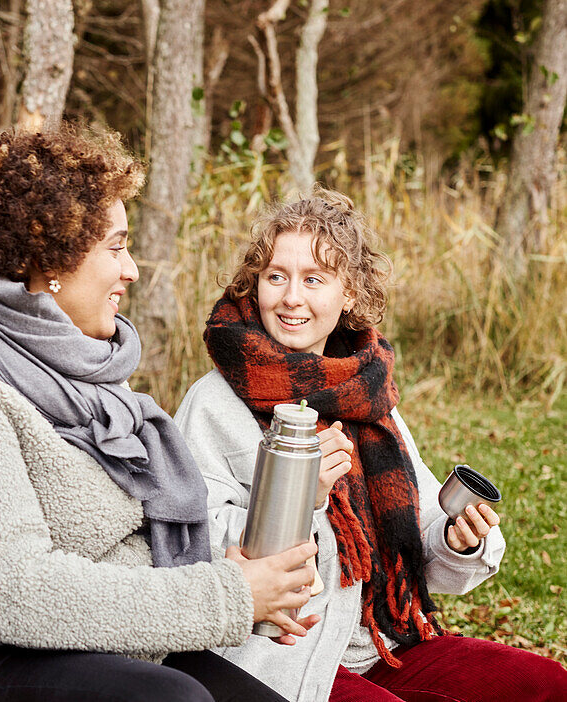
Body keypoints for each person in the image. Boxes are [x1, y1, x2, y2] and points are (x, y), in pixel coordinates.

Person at [0, 124, 321, 702]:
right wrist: (226, 595)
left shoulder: (82, 382)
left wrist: (232, 578)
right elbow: (17, 593)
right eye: (115, 246)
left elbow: (113, 550)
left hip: (95, 658)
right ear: (44, 258)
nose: (131, 269)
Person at [174, 188, 567, 702]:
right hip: (284, 660)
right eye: (276, 277)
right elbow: (188, 543)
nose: (292, 297)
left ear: (350, 294)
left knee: (546, 686)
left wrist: (456, 539)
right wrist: (298, 498)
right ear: (255, 285)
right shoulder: (214, 403)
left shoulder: (366, 389)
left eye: (314, 279)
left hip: (382, 643)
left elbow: (419, 529)